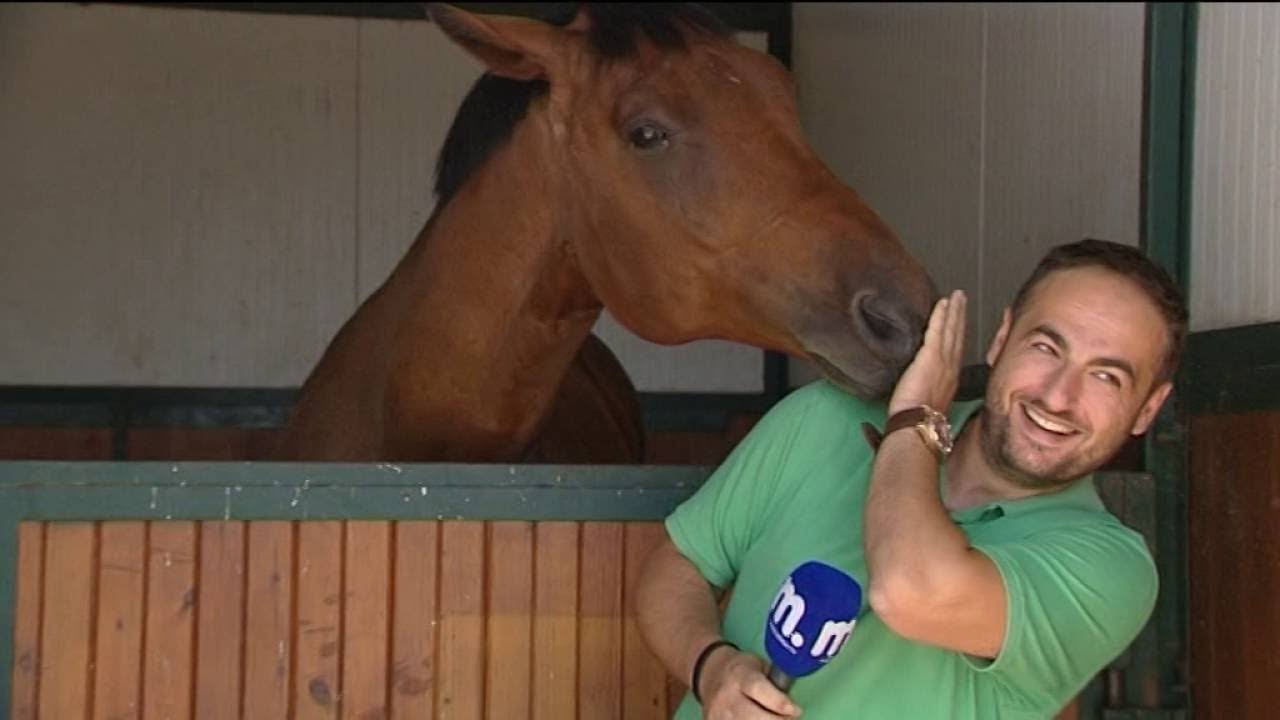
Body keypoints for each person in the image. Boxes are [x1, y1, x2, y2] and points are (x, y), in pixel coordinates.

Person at [635, 238, 1187, 719]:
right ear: (1000, 340)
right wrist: (710, 666)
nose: (1057, 396)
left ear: (1147, 410)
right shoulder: (824, 419)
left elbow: (907, 589)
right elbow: (679, 564)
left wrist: (916, 420)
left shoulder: (1111, 569)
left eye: (1107, 377)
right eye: (1046, 347)